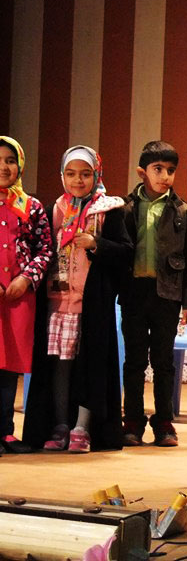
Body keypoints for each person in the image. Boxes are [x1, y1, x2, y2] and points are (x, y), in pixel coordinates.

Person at [23, 145, 133, 453]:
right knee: (59, 366)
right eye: (71, 174)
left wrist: (96, 243)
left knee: (90, 364)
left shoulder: (110, 209)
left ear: (97, 174)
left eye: (85, 174)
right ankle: (60, 424)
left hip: (91, 304)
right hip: (56, 301)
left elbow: (126, 251)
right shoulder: (53, 210)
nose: (78, 180)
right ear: (62, 176)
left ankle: (82, 428)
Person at [119, 141, 187, 447]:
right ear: (142, 172)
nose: (165, 176)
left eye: (170, 170)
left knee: (164, 361)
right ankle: (132, 421)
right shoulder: (126, 208)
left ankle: (164, 423)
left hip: (167, 294)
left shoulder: (182, 211)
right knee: (134, 361)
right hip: (134, 293)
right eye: (158, 169)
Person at [0, 136, 53, 455]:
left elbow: (45, 249)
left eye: (10, 160)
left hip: (19, 298)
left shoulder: (31, 207)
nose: (4, 167)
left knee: (9, 366)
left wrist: (26, 277)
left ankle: (5, 432)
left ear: (20, 165)